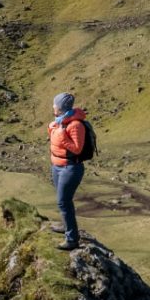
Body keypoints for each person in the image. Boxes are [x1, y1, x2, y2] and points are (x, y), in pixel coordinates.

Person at [47, 91, 87, 250]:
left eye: (55, 105)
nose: (53, 107)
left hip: (70, 168)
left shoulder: (75, 125)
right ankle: (66, 226)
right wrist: (52, 130)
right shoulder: (60, 122)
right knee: (62, 200)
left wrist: (62, 137)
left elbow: (77, 149)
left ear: (61, 107)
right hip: (57, 166)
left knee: (63, 201)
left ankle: (72, 239)